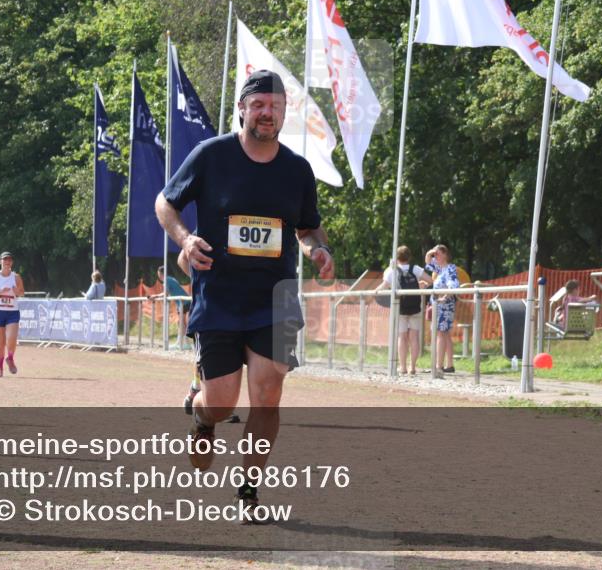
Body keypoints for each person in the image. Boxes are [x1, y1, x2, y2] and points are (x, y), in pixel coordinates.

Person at [155, 69, 333, 522]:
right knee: (221, 402)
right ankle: (200, 414)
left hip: (273, 300)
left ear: (284, 112)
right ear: (242, 109)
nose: (266, 113)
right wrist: (185, 240)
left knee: (269, 391)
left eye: (274, 106)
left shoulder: (297, 170)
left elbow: (308, 226)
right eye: (258, 105)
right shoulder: (211, 156)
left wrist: (318, 250)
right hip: (219, 295)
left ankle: (249, 493)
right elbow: (166, 203)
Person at [375, 245, 430, 374]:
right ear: (409, 257)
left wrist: (375, 292)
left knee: (402, 337)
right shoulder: (415, 269)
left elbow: (384, 286)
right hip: (415, 306)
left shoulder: (391, 270)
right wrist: (422, 288)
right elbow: (431, 281)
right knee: (414, 337)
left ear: (396, 257)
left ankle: (403, 367)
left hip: (400, 307)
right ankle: (413, 367)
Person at [0, 251, 25, 378]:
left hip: (12, 312)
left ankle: (10, 358)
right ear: (0, 261)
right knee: (1, 343)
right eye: (5, 259)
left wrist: (15, 291)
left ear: (11, 262)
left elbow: (22, 293)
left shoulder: (16, 277)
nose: (7, 262)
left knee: (12, 339)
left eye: (9, 260)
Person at [425, 245, 460, 373]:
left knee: (440, 334)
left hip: (444, 306)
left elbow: (454, 285)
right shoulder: (440, 269)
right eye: (435, 255)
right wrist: (431, 251)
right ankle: (449, 365)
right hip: (439, 305)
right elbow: (428, 261)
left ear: (445, 254)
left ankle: (438, 366)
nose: (436, 257)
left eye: (438, 254)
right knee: (444, 335)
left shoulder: (450, 268)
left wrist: (444, 297)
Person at [150, 266, 190, 347]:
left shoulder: (166, 280)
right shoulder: (171, 278)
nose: (158, 276)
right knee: (181, 323)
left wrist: (155, 296)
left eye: (159, 274)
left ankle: (183, 343)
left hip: (183, 302)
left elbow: (166, 293)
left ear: (161, 274)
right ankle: (183, 343)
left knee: (181, 323)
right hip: (183, 302)